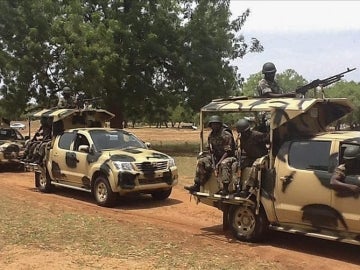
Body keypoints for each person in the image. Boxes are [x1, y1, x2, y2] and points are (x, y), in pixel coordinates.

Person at [184, 115, 236, 195]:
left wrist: (218, 163)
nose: (214, 126)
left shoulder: (226, 134)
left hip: (228, 156)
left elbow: (228, 151)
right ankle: (197, 185)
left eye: (216, 124)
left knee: (224, 164)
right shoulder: (211, 135)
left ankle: (225, 188)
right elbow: (210, 149)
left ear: (219, 124)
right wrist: (212, 159)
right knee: (202, 161)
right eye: (212, 124)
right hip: (216, 156)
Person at [235, 118, 270, 197]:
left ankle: (247, 188)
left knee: (256, 166)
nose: (245, 134)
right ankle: (237, 186)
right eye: (243, 132)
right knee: (238, 165)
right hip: (250, 157)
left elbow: (269, 139)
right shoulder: (241, 138)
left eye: (246, 132)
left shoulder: (256, 135)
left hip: (261, 158)